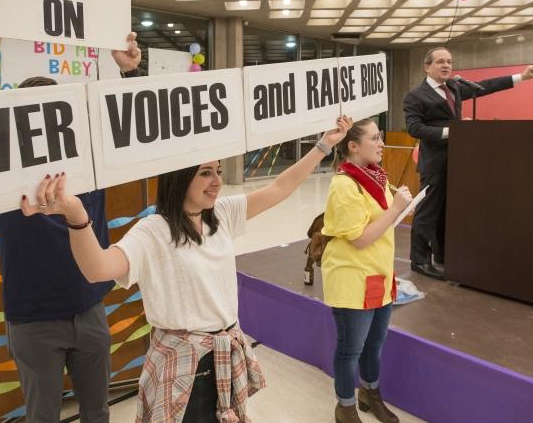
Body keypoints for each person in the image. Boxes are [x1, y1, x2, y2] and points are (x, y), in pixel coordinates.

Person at [19, 116, 353, 422]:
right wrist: (77, 216)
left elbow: (279, 187)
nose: (217, 181)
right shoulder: (154, 231)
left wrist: (324, 145)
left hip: (225, 358)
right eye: (205, 172)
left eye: (219, 171)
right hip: (181, 366)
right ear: (180, 177)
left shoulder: (222, 214)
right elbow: (98, 268)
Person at [0, 9, 141, 423]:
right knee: (43, 417)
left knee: (97, 412)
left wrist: (130, 75)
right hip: (33, 318)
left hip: (88, 310)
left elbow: (140, 128)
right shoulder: (2, 172)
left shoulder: (90, 161)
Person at [402, 47, 533, 279]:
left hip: (458, 162)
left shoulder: (454, 87)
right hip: (434, 164)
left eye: (449, 61)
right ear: (427, 66)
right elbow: (414, 129)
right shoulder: (416, 95)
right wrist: (452, 131)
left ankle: (442, 255)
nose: (446, 65)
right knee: (428, 213)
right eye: (440, 62)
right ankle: (419, 260)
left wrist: (521, 77)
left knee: (446, 212)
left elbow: (486, 86)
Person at [321, 119, 412, 423]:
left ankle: (370, 394)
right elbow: (360, 238)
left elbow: (383, 220)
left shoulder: (376, 176)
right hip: (352, 278)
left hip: (378, 275)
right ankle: (345, 407)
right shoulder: (344, 184)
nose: (381, 143)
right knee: (351, 349)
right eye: (375, 138)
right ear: (353, 146)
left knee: (374, 345)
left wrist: (404, 204)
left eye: (381, 137)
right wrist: (396, 209)